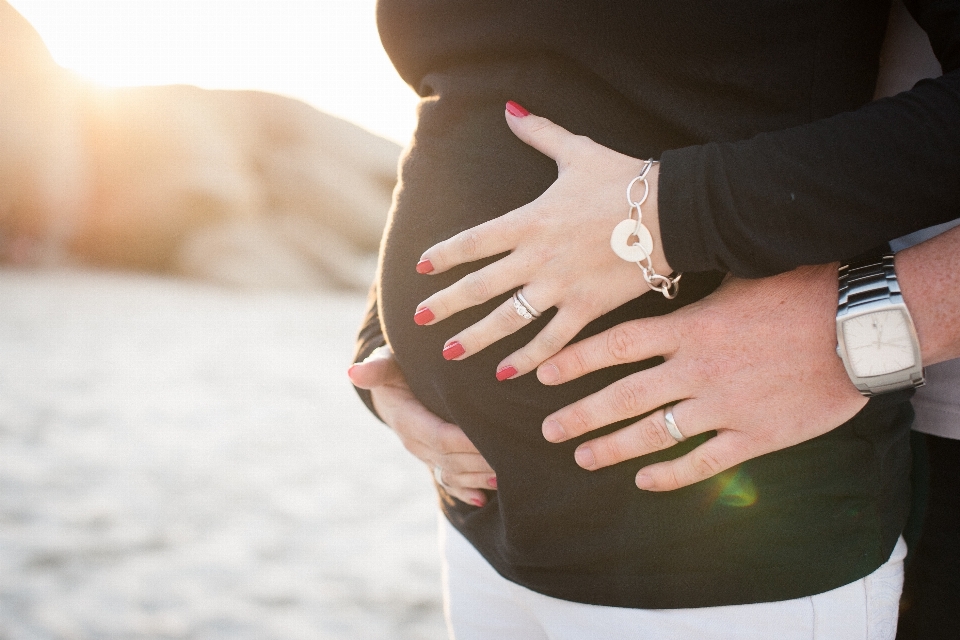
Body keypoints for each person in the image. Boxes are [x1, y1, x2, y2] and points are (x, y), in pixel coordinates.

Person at [350, 1, 960, 637]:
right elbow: (469, 98)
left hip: (724, 546)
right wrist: (387, 335)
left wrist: (670, 213)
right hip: (481, 522)